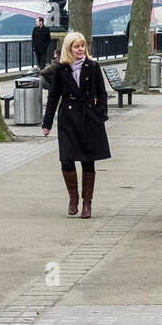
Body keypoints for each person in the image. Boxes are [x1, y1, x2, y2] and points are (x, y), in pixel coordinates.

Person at [41, 31, 110, 218]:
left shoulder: (93, 66)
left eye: (82, 46)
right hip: (68, 119)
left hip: (89, 117)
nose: (80, 49)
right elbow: (53, 96)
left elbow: (102, 92)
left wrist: (101, 113)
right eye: (76, 46)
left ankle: (87, 203)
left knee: (88, 160)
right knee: (66, 159)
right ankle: (73, 197)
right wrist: (47, 124)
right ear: (69, 49)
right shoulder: (60, 69)